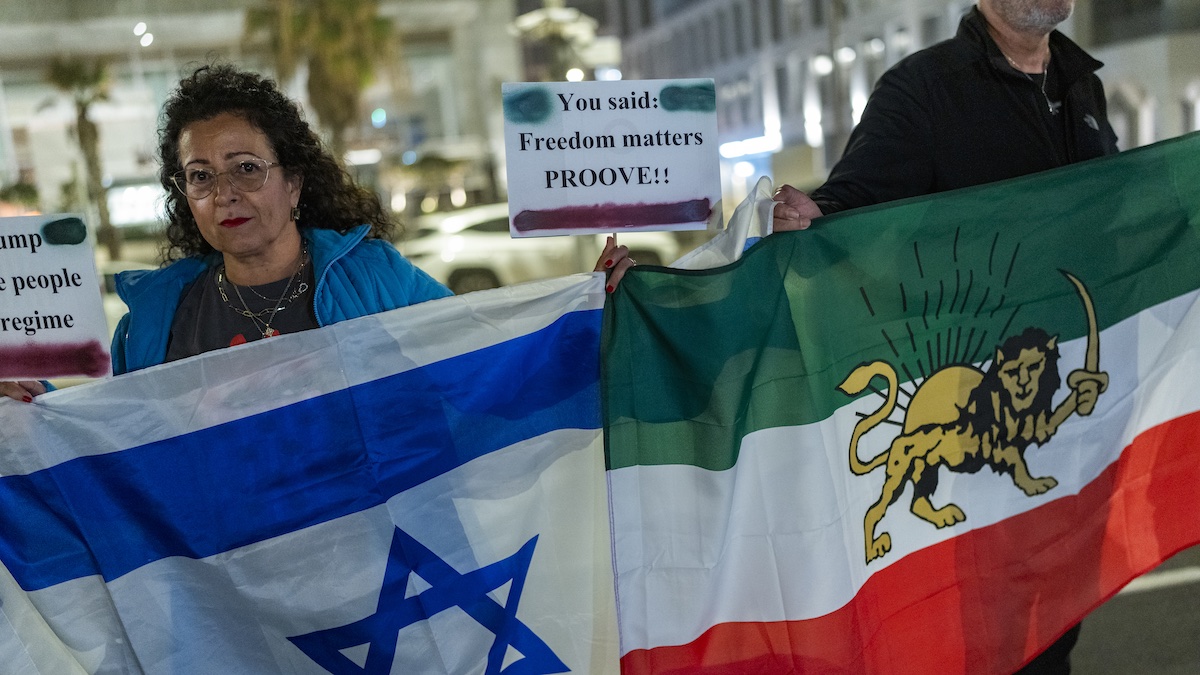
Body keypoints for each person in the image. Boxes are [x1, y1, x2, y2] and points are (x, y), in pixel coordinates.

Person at [770, 0, 1117, 672]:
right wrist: (818, 218)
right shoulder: (923, 90)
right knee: (998, 639)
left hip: (1068, 422)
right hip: (978, 430)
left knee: (1054, 627)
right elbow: (853, 209)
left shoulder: (1082, 84)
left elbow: (1116, 218)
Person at [0, 64, 634, 401]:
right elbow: (112, 441)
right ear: (184, 197)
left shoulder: (373, 277)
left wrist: (583, 309)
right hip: (226, 600)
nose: (225, 193)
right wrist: (34, 399)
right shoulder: (153, 318)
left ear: (294, 183)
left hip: (390, 578)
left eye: (246, 168)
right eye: (200, 176)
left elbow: (486, 357)